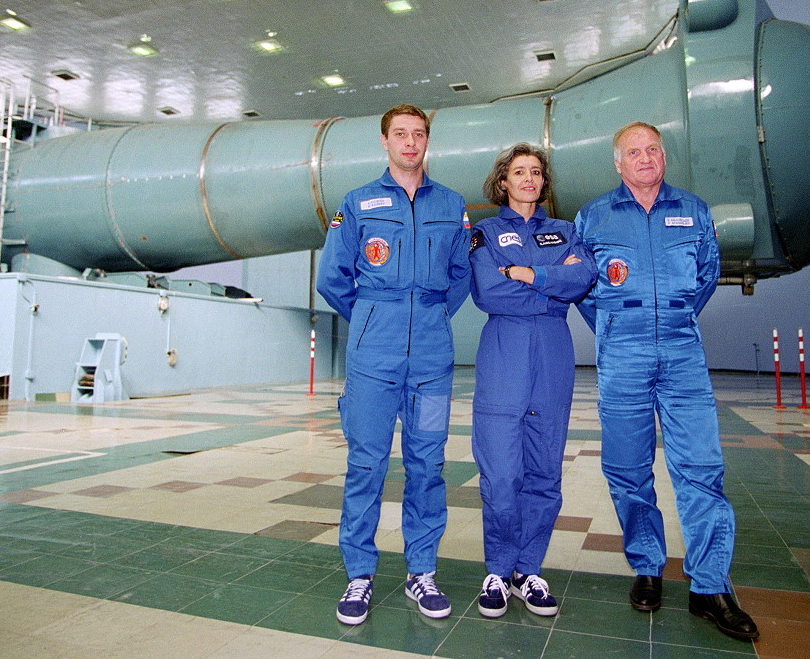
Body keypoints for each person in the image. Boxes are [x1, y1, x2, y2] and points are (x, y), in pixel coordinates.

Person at [574, 121, 759, 641]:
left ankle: (710, 585)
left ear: (664, 156)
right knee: (628, 469)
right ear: (618, 162)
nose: (645, 158)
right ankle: (647, 566)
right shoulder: (594, 217)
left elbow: (706, 277)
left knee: (701, 468)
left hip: (682, 354)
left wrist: (674, 319)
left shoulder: (693, 211)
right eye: (633, 152)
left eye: (652, 149)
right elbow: (583, 287)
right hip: (622, 356)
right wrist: (617, 327)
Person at [317, 103, 472, 626]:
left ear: (427, 141)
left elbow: (460, 275)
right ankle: (359, 574)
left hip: (431, 360)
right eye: (400, 134)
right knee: (366, 464)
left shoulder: (451, 204)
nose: (410, 142)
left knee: (427, 465)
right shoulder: (358, 202)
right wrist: (370, 317)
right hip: (373, 358)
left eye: (418, 134)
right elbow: (332, 277)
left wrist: (430, 316)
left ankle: (421, 571)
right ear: (384, 141)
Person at [468, 143, 595, 619]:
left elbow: (582, 278)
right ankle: (498, 570)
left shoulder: (566, 230)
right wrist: (551, 281)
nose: (528, 179)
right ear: (503, 181)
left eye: (536, 172)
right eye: (518, 172)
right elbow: (489, 291)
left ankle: (528, 570)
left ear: (544, 182)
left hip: (553, 354)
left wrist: (525, 273)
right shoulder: (484, 233)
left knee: (544, 471)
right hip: (504, 352)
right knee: (502, 472)